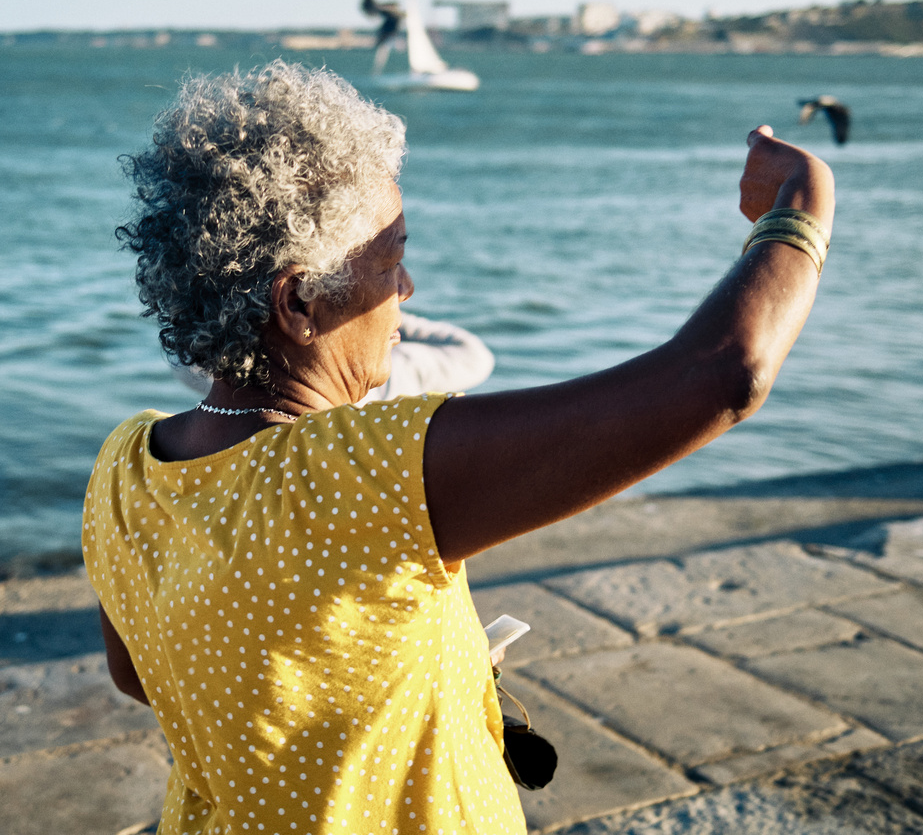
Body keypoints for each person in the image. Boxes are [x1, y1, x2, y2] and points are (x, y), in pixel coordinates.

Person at [84, 61, 834, 835]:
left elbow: (143, 674)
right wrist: (801, 204)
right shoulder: (362, 470)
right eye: (390, 256)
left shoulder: (123, 465)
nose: (404, 286)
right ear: (299, 300)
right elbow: (722, 375)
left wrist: (402, 668)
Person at [172, 310, 496, 404]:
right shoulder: (400, 369)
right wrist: (391, 317)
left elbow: (186, 358)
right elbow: (475, 356)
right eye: (388, 268)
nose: (403, 286)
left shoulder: (253, 379)